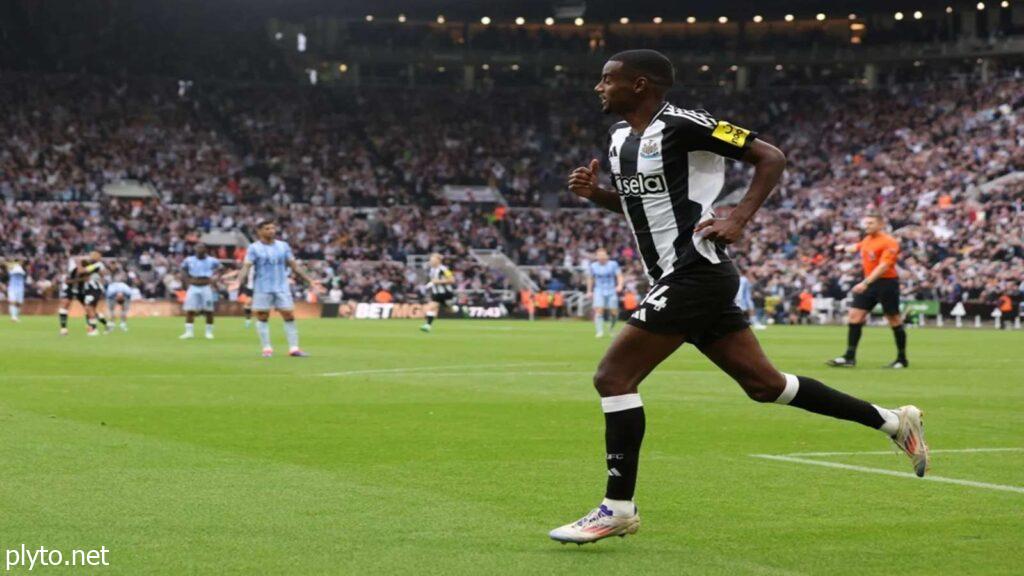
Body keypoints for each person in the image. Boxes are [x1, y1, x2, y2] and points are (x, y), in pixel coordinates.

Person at [549, 50, 929, 545]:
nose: (598, 88)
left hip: (695, 273)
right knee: (765, 385)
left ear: (639, 85)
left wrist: (738, 218)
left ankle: (617, 507)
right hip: (675, 276)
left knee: (612, 377)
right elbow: (639, 204)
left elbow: (770, 155)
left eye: (607, 80)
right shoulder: (621, 137)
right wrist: (595, 195)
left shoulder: (686, 123)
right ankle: (892, 422)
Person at [827, 213, 908, 369]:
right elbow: (857, 247)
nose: (867, 226)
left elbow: (884, 266)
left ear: (881, 224)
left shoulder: (889, 242)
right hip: (869, 284)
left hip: (886, 284)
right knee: (855, 316)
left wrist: (865, 282)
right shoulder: (867, 239)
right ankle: (849, 357)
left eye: (870, 223)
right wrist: (843, 248)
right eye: (866, 223)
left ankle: (901, 359)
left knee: (894, 319)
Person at [233, 220, 323, 357]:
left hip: (282, 287)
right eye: (268, 228)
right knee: (262, 316)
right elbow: (247, 266)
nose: (272, 231)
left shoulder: (283, 246)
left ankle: (294, 348)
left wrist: (310, 280)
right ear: (260, 231)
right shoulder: (254, 248)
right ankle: (267, 348)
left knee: (289, 315)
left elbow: (294, 266)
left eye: (273, 228)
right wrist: (238, 281)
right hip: (262, 288)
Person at [58, 252, 109, 336]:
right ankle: (63, 329)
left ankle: (101, 325)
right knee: (65, 305)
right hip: (72, 289)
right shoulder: (75, 270)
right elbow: (67, 281)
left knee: (89, 309)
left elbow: (87, 272)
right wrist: (80, 279)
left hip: (84, 290)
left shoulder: (95, 266)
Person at [179, 243, 223, 340]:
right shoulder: (189, 260)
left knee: (209, 310)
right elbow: (183, 269)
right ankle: (189, 332)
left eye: (202, 248)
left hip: (206, 286)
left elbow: (221, 268)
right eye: (198, 248)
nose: (199, 250)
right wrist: (186, 281)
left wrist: (216, 277)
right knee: (190, 310)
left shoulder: (212, 260)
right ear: (195, 250)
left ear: (205, 250)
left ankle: (209, 332)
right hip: (193, 286)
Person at [587, 248, 624, 337]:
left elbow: (619, 276)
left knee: (614, 312)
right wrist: (589, 291)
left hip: (611, 290)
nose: (601, 257)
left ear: (607, 256)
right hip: (599, 290)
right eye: (599, 256)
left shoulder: (613, 264)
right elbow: (590, 279)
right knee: (599, 310)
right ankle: (599, 332)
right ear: (597, 257)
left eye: (603, 255)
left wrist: (620, 285)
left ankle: (611, 328)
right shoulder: (593, 266)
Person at [420, 253, 454, 333]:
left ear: (438, 261)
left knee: (450, 310)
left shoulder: (444, 269)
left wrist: (439, 281)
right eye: (431, 259)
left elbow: (452, 280)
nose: (431, 261)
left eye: (433, 259)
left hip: (446, 293)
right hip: (436, 293)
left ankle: (457, 309)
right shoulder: (432, 269)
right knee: (431, 307)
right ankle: (428, 325)